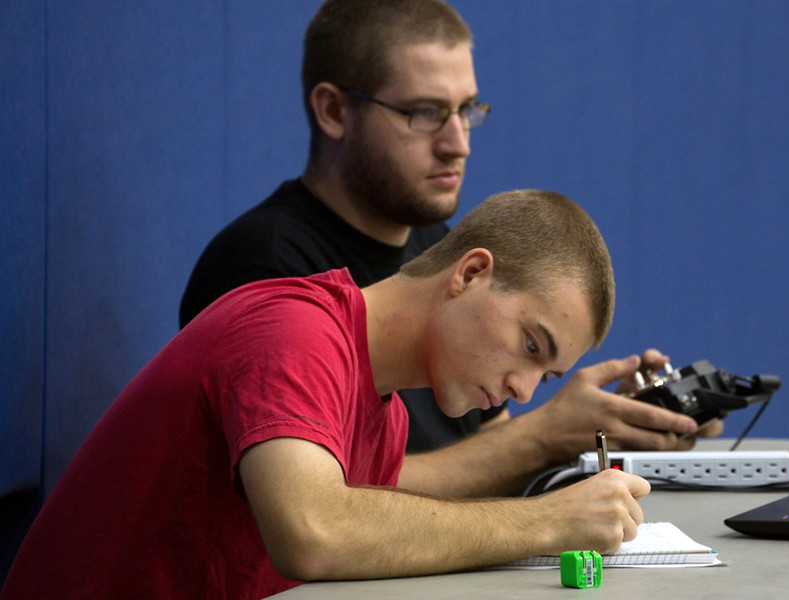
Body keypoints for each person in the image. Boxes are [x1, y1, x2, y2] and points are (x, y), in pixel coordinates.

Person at [1, 190, 652, 599]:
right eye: (532, 346)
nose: (524, 387)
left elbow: (367, 532)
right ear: (471, 274)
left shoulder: (385, 412)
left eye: (547, 375)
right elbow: (314, 532)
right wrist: (549, 523)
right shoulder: (294, 331)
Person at [177, 0, 720, 490]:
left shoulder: (442, 252)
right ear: (334, 111)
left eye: (467, 110)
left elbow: (477, 477)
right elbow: (335, 506)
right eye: (425, 112)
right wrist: (542, 439)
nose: (458, 143)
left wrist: (601, 428)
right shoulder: (267, 269)